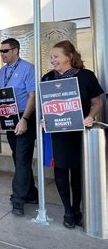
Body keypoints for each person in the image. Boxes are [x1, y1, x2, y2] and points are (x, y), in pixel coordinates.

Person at [42, 40, 104, 229]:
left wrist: (91, 117)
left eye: (56, 56)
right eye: (51, 57)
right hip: (58, 134)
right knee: (60, 172)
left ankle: (77, 209)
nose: (52, 60)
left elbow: (98, 102)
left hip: (80, 133)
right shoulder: (47, 78)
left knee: (77, 173)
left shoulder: (86, 76)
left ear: (68, 57)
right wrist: (45, 118)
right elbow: (44, 105)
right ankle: (68, 211)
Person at [0, 38, 38, 216]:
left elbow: (32, 96)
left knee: (21, 157)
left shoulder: (28, 68)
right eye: (1, 51)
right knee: (18, 156)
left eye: (5, 51)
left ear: (15, 51)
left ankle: (18, 200)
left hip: (24, 116)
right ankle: (31, 193)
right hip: (8, 115)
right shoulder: (2, 71)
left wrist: (25, 119)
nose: (2, 54)